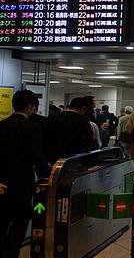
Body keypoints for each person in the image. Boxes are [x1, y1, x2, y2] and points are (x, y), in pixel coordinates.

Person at [0, 90, 50, 258]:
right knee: (22, 218)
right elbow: (35, 154)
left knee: (3, 217)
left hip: (3, 182)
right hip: (22, 182)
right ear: (30, 107)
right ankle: (10, 252)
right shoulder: (32, 127)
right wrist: (47, 172)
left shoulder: (1, 125)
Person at [44, 97, 95, 164]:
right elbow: (88, 141)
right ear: (83, 108)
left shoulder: (55, 117)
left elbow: (46, 138)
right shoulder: (83, 120)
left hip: (55, 159)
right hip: (74, 159)